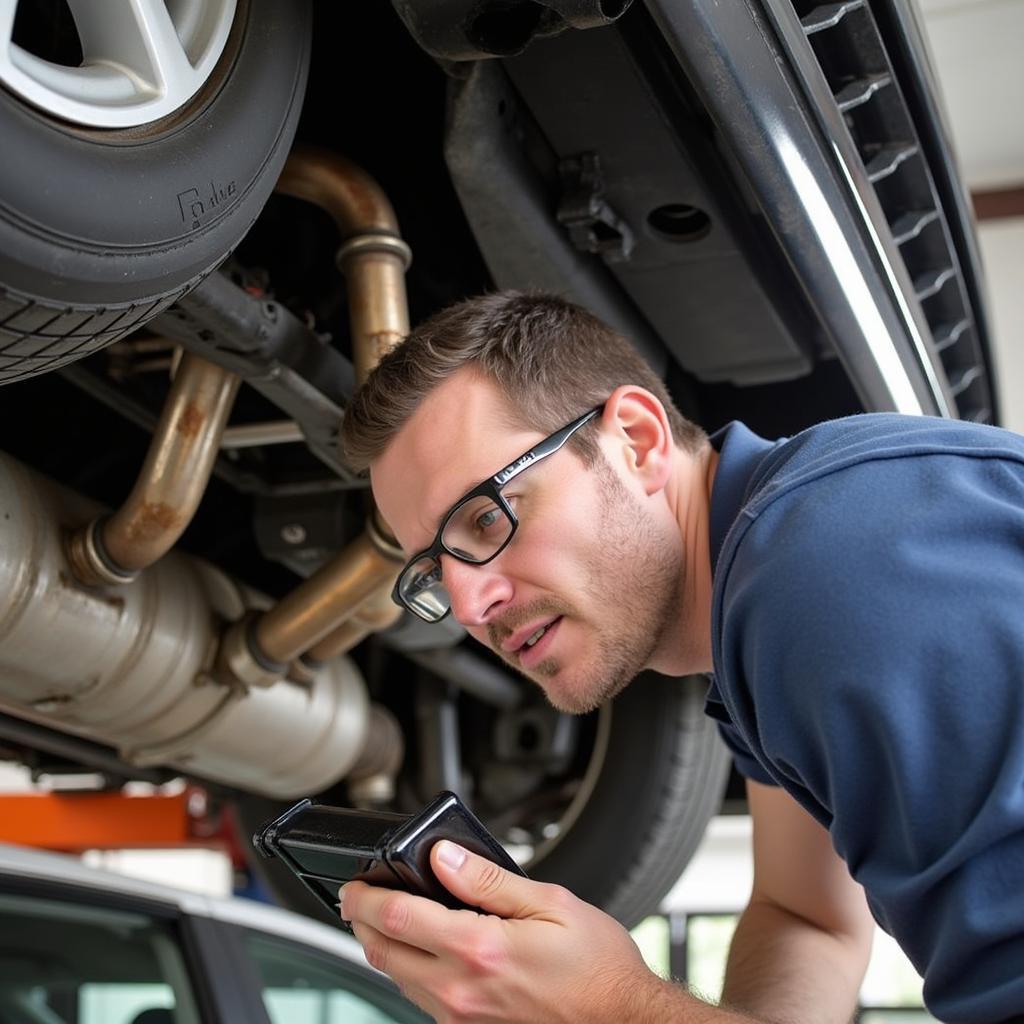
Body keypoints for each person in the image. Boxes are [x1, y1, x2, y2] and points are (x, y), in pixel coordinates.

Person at [337, 291, 1024, 1024]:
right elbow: (807, 919)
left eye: (485, 517)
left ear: (636, 440)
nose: (469, 607)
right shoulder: (752, 610)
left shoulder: (831, 570)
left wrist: (614, 1007)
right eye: (435, 571)